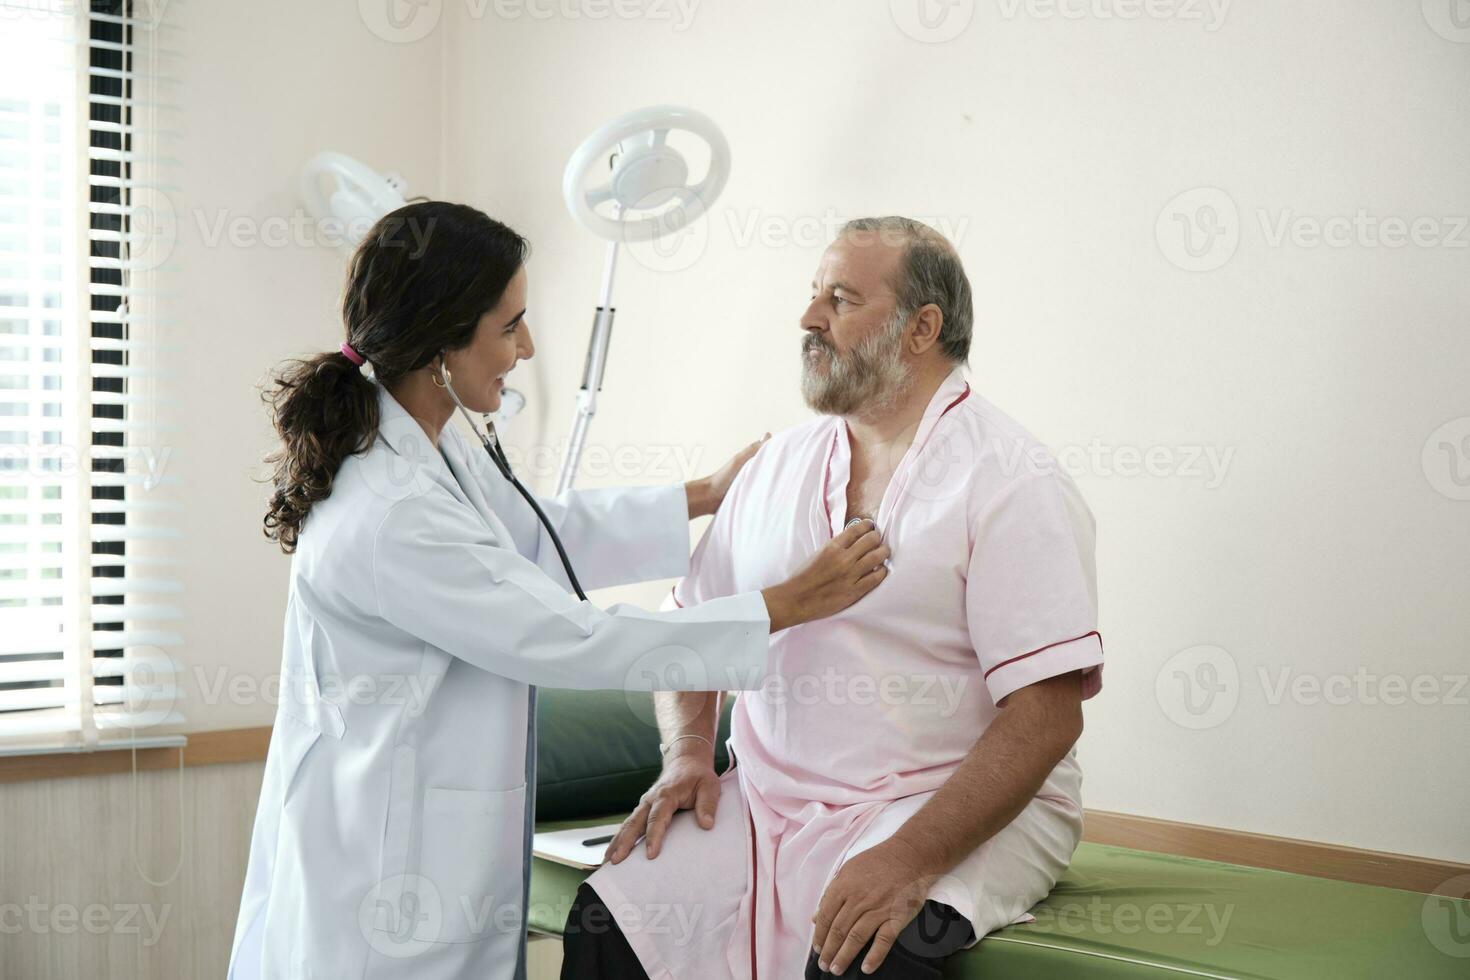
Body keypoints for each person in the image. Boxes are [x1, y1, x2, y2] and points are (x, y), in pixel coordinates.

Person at [226, 202, 891, 980]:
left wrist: (702, 494)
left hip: (414, 830)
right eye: (510, 327)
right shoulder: (392, 511)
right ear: (442, 341)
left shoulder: (425, 446)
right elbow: (572, 637)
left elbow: (534, 532)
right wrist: (785, 604)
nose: (527, 348)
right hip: (385, 862)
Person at [567, 217, 1104, 979]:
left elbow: (1047, 714)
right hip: (766, 801)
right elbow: (692, 627)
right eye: (814, 294)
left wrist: (911, 857)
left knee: (865, 956)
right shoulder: (774, 466)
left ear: (923, 328)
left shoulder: (1012, 480)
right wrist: (688, 752)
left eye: (841, 299)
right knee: (608, 925)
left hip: (936, 804)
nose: (809, 318)